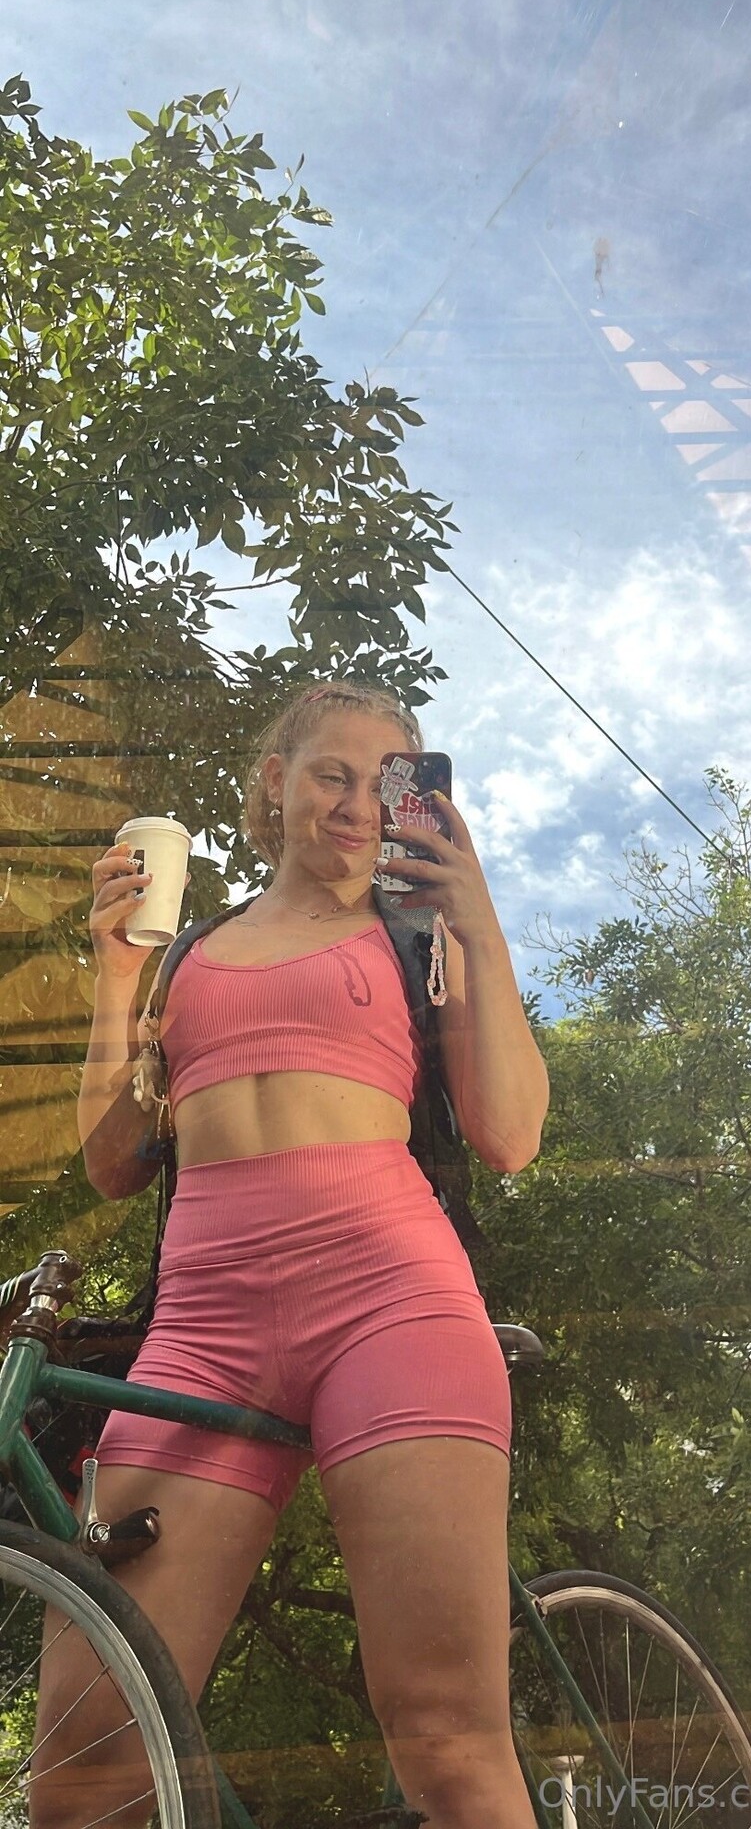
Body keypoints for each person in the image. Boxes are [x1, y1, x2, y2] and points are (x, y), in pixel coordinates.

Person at [38, 680, 549, 1829]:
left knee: (445, 1735)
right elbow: (114, 1162)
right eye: (332, 774)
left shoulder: (418, 937)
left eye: (385, 783)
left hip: (392, 1303)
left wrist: (479, 924)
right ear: (276, 782)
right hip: (203, 1328)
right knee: (83, 1771)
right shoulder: (192, 954)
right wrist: (116, 978)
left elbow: (511, 1134)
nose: (359, 804)